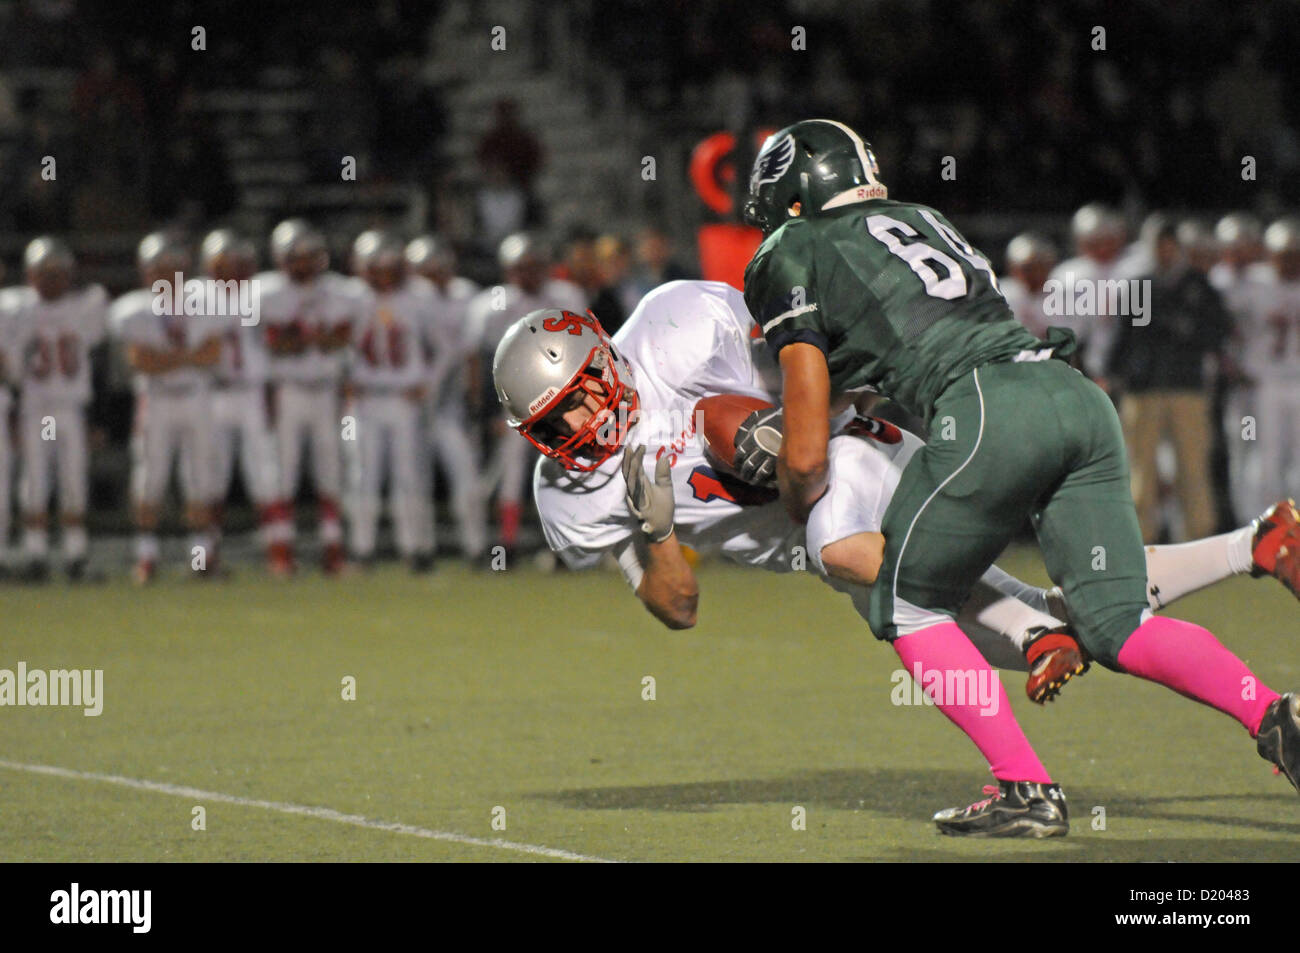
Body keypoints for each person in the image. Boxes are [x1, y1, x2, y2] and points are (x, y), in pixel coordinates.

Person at [491, 281, 1300, 835]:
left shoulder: (675, 324)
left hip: (851, 463)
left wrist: (818, 412)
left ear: (604, 353)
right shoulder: (569, 497)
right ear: (535, 435)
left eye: (589, 392)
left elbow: (803, 347)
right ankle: (1254, 553)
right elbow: (678, 606)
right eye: (562, 421)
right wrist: (657, 528)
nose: (589, 423)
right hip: (839, 541)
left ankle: (1025, 747)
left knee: (830, 536)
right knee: (1091, 618)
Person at [740, 119, 1300, 834]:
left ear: (793, 198)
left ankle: (1024, 787)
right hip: (1072, 395)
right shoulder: (923, 216)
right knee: (1119, 622)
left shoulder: (793, 245)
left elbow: (810, 440)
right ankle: (1273, 713)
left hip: (984, 408)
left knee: (905, 601)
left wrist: (790, 491)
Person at [109, 231, 221, 583]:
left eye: (172, 266)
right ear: (146, 270)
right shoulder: (134, 308)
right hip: (155, 399)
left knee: (200, 478)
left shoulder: (206, 299)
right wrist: (187, 357)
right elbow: (141, 361)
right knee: (149, 479)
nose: (166, 274)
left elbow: (212, 354)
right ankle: (146, 557)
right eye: (160, 267)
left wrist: (169, 359)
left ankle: (200, 559)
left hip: (196, 396)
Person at [1109, 221, 1230, 541]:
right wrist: (1112, 374)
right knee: (1139, 468)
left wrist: (1186, 330)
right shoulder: (1138, 286)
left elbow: (1218, 334)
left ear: (1178, 247)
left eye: (1169, 244)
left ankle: (1199, 537)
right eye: (1158, 244)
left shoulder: (1199, 286)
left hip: (1186, 385)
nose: (1164, 250)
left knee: (1192, 467)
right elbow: (1122, 338)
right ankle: (1139, 537)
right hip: (1143, 386)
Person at [258, 218, 363, 576]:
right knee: (282, 472)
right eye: (296, 256)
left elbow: (341, 338)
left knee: (330, 471)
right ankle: (281, 553)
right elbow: (278, 345)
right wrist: (312, 338)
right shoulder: (265, 292)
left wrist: (305, 338)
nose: (303, 264)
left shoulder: (342, 291)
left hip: (327, 391)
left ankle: (332, 552)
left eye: (309, 256)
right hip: (286, 392)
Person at [9, 236, 107, 582]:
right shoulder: (16, 308)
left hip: (69, 409)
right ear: (30, 275)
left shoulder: (86, 305)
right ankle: (35, 555)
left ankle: (75, 554)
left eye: (57, 273)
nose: (51, 280)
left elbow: (99, 362)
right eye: (44, 273)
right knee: (35, 482)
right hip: (37, 410)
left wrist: (99, 418)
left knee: (73, 482)